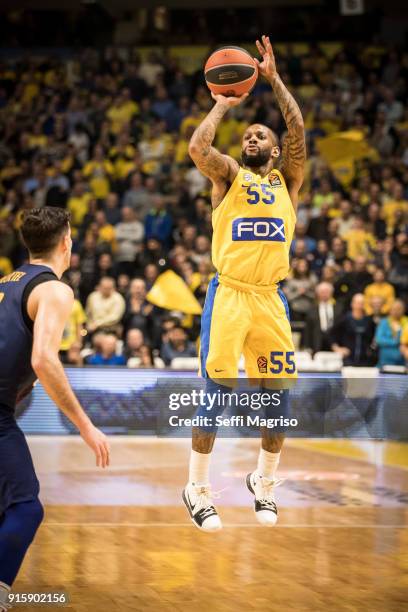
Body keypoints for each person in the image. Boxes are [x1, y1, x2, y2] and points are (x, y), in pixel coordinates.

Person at [183, 36, 305, 531]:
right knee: (214, 392)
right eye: (246, 137)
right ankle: (196, 487)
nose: (250, 140)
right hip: (230, 293)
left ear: (275, 150)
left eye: (260, 136)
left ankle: (265, 482)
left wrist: (273, 80)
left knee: (276, 397)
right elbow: (198, 147)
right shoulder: (229, 177)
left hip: (269, 299)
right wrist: (222, 105)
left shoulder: (288, 181)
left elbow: (296, 127)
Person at [0, 208, 109, 611]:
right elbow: (44, 360)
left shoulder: (7, 283)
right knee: (26, 509)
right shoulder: (55, 290)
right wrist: (85, 425)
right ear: (67, 242)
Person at [330, 293, 377, 366]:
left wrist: (370, 350)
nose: (359, 306)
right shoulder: (344, 319)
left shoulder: (369, 321)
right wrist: (337, 348)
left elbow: (373, 338)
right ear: (352, 304)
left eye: (362, 303)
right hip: (347, 359)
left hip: (365, 360)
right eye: (357, 303)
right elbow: (330, 335)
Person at [375, 300, 408, 367]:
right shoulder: (384, 322)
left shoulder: (406, 322)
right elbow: (379, 340)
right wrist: (396, 341)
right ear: (390, 310)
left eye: (399, 309)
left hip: (403, 362)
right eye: (394, 309)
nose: (396, 311)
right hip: (385, 362)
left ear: (404, 310)